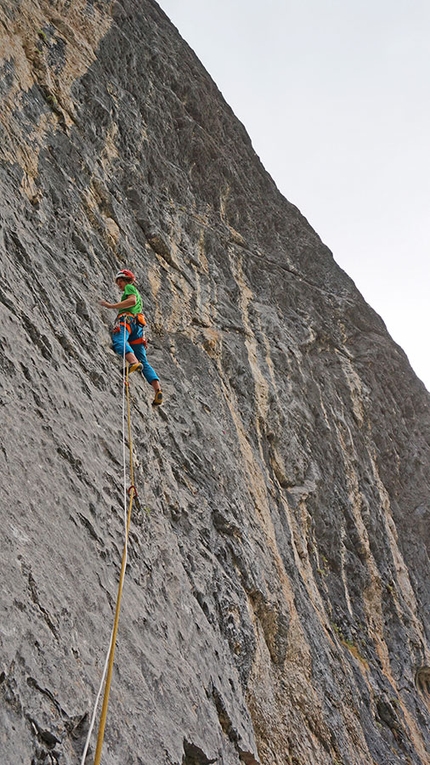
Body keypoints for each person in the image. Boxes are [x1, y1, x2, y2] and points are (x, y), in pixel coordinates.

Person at [100, 269, 163, 406]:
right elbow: (136, 303)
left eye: (120, 281)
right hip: (138, 329)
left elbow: (132, 301)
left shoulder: (130, 288)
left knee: (119, 341)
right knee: (144, 360)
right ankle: (157, 390)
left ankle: (133, 363)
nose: (119, 285)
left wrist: (111, 306)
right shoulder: (139, 296)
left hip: (127, 321)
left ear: (126, 280)